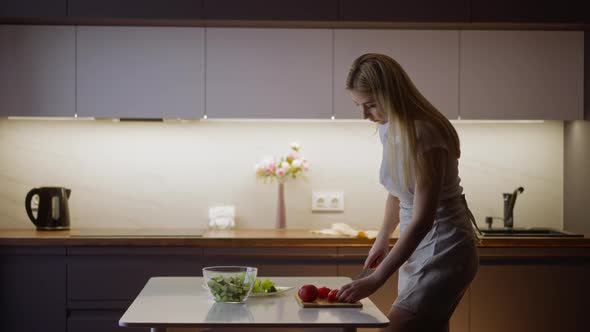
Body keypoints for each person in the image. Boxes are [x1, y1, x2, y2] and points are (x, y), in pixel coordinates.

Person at [336, 53, 480, 332]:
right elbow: (398, 192)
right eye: (359, 105)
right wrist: (381, 241)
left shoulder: (426, 133)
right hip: (417, 245)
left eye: (371, 105)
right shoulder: (389, 128)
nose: (365, 115)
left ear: (391, 95)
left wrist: (376, 279)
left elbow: (424, 219)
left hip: (444, 246)